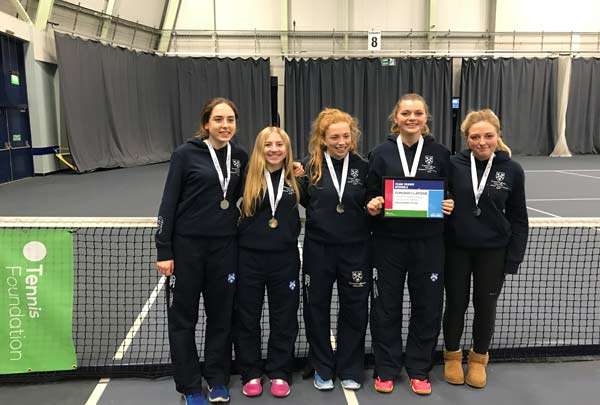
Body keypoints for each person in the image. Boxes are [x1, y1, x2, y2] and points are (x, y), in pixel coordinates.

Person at [156, 97, 248, 405]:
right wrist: (164, 249)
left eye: (230, 120)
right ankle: (190, 385)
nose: (225, 126)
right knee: (184, 319)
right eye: (219, 119)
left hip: (225, 247)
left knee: (221, 316)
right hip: (187, 249)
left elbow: (258, 188)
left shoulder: (240, 157)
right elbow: (169, 203)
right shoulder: (185, 154)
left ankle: (217, 378)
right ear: (206, 123)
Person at [366, 93, 454, 396]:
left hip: (428, 244)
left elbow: (450, 193)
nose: (412, 118)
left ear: (425, 118)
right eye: (406, 113)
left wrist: (448, 205)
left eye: (417, 113)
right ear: (396, 118)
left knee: (427, 308)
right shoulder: (380, 153)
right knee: (385, 308)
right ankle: (386, 369)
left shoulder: (441, 153)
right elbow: (369, 192)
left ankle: (419, 369)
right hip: (388, 245)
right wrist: (373, 203)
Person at [442, 109, 528, 388]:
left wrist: (513, 258)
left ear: (498, 136)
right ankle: (452, 356)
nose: (482, 142)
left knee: (485, 306)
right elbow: (440, 199)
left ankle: (478, 359)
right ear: (466, 139)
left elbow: (518, 217)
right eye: (475, 137)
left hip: (493, 252)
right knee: (455, 304)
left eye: (488, 136)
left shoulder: (512, 170)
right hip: (456, 249)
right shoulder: (453, 165)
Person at [300, 108, 370, 391]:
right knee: (316, 309)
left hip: (356, 250)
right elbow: (303, 199)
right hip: (319, 250)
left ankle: (350, 366)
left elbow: (374, 198)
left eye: (346, 136)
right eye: (334, 137)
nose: (341, 142)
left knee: (354, 309)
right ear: (323, 138)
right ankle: (322, 366)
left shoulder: (364, 167)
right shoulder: (308, 167)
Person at [234, 127, 302, 399]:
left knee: (283, 318)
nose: (274, 150)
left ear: (287, 149)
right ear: (259, 148)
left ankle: (279, 371)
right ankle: (250, 372)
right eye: (268, 145)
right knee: (247, 318)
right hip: (248, 259)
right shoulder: (245, 176)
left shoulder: (297, 177)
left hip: (284, 260)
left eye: (280, 145)